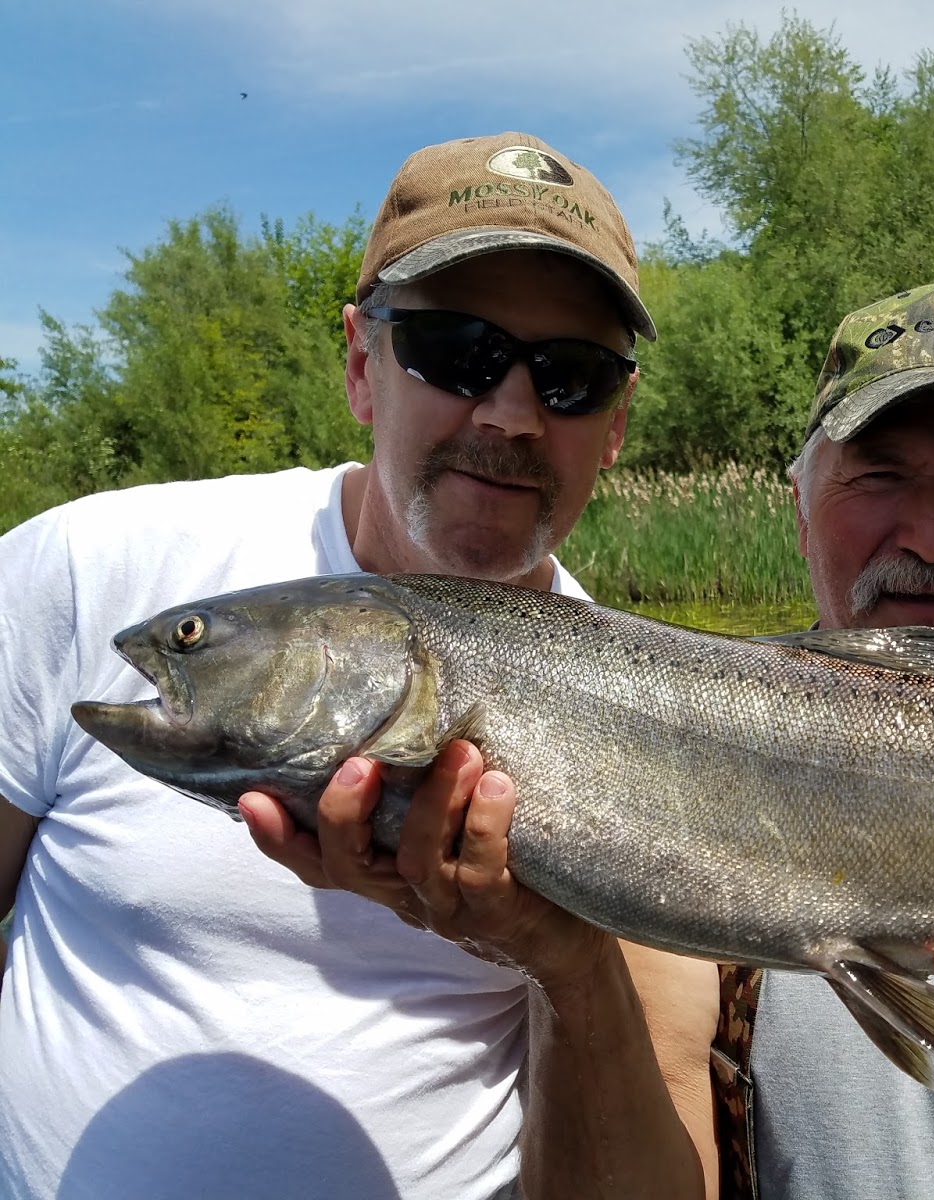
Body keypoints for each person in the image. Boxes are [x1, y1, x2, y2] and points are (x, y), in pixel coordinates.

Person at [266, 279, 934, 1197]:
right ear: (799, 504)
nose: (930, 536)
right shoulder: (668, 784)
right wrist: (563, 960)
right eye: (878, 478)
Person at [0, 131, 712, 1200]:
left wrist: (561, 961)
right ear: (358, 365)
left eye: (570, 377)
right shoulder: (86, 570)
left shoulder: (667, 720)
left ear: (615, 425)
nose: (510, 414)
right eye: (452, 350)